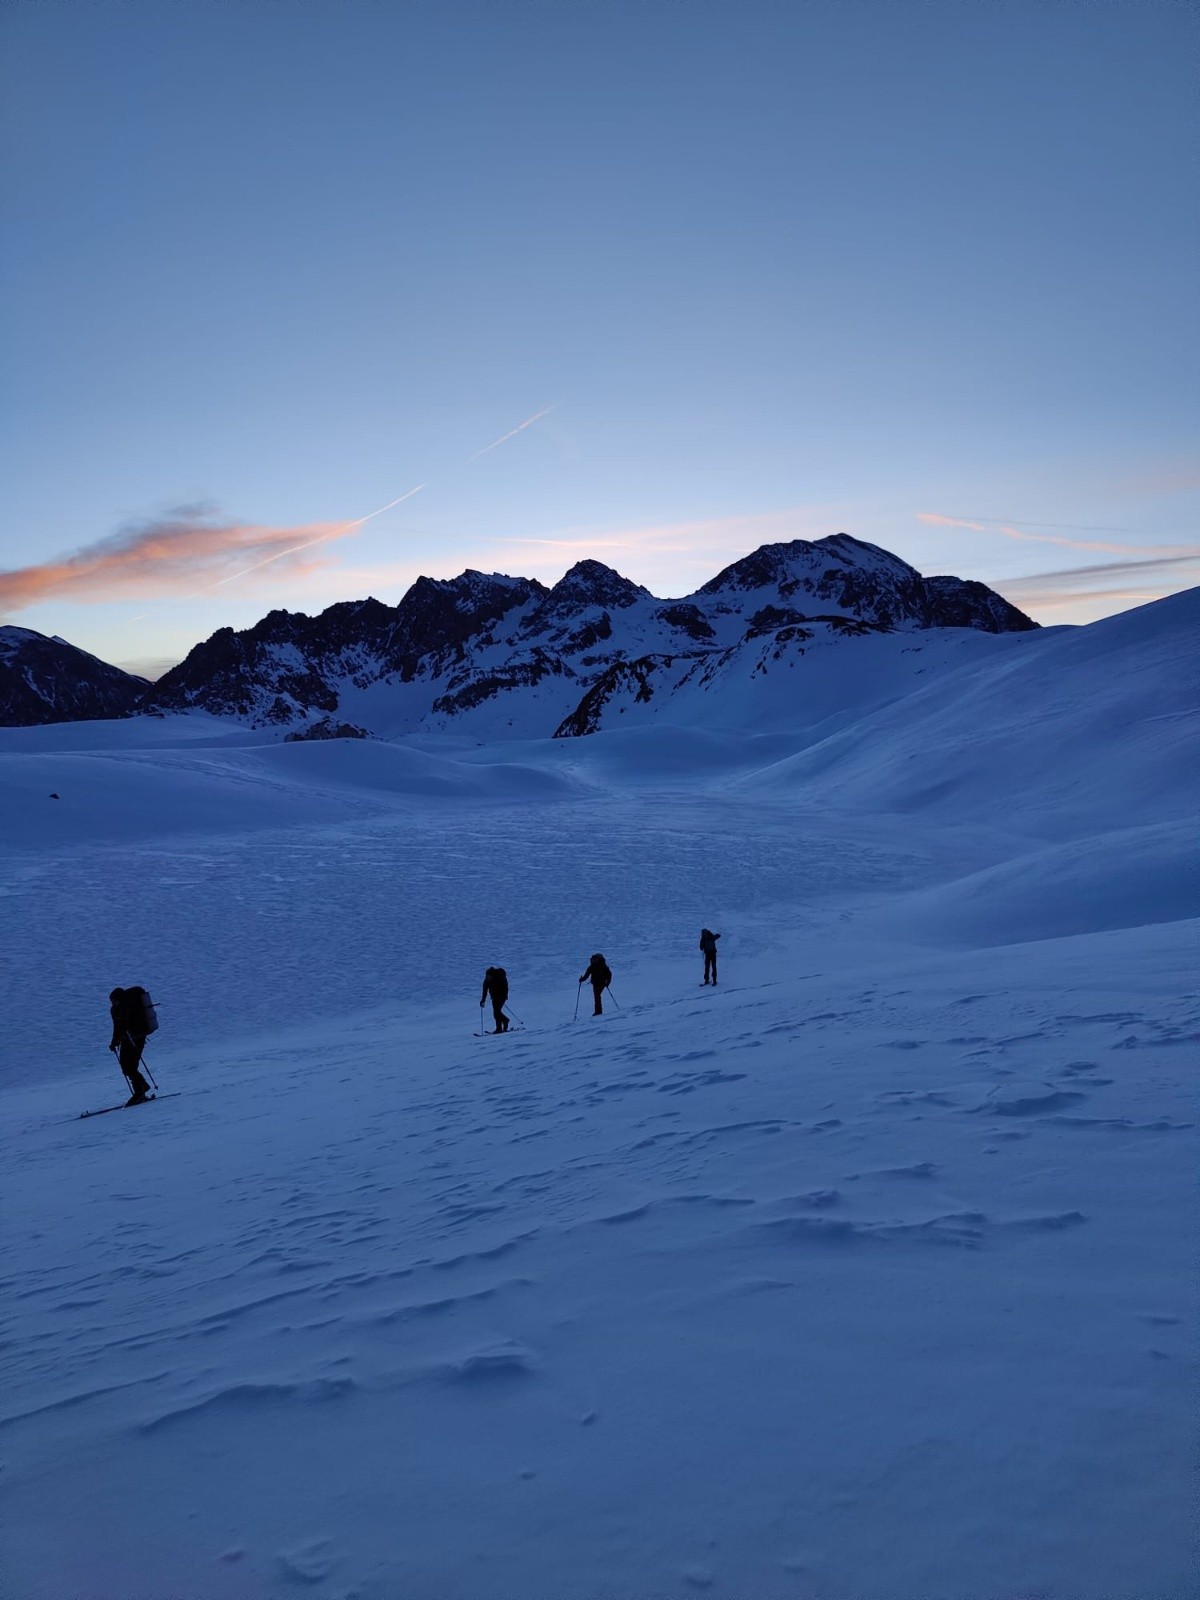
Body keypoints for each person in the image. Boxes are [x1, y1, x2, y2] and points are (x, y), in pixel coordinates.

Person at [109, 987, 151, 1105]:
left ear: (120, 999)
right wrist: (114, 1042)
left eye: (114, 1000)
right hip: (127, 1040)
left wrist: (116, 1040)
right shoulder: (115, 1010)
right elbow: (117, 1027)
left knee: (130, 1066)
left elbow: (122, 1024)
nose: (112, 1003)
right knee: (126, 1066)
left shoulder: (127, 1006)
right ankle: (142, 1087)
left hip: (136, 1038)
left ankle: (139, 1092)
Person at [480, 966, 510, 1033]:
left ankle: (503, 1023)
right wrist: (483, 1000)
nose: (487, 977)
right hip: (494, 998)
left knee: (496, 1011)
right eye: (487, 976)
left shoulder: (499, 977)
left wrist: (504, 996)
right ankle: (500, 1026)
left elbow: (505, 987)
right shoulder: (487, 980)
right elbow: (485, 991)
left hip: (501, 997)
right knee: (496, 1012)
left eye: (489, 976)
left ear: (492, 975)